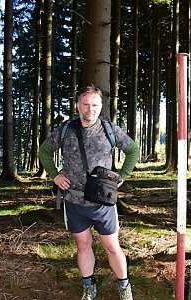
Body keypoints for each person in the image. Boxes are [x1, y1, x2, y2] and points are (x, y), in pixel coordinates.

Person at [39, 85, 139, 300]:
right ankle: (88, 287)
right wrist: (55, 175)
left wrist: (122, 176)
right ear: (77, 105)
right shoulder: (66, 129)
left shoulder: (109, 129)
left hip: (102, 201)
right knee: (83, 245)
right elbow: (44, 150)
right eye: (85, 104)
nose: (89, 109)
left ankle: (124, 287)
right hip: (74, 200)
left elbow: (132, 150)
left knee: (112, 246)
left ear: (100, 106)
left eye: (94, 104)